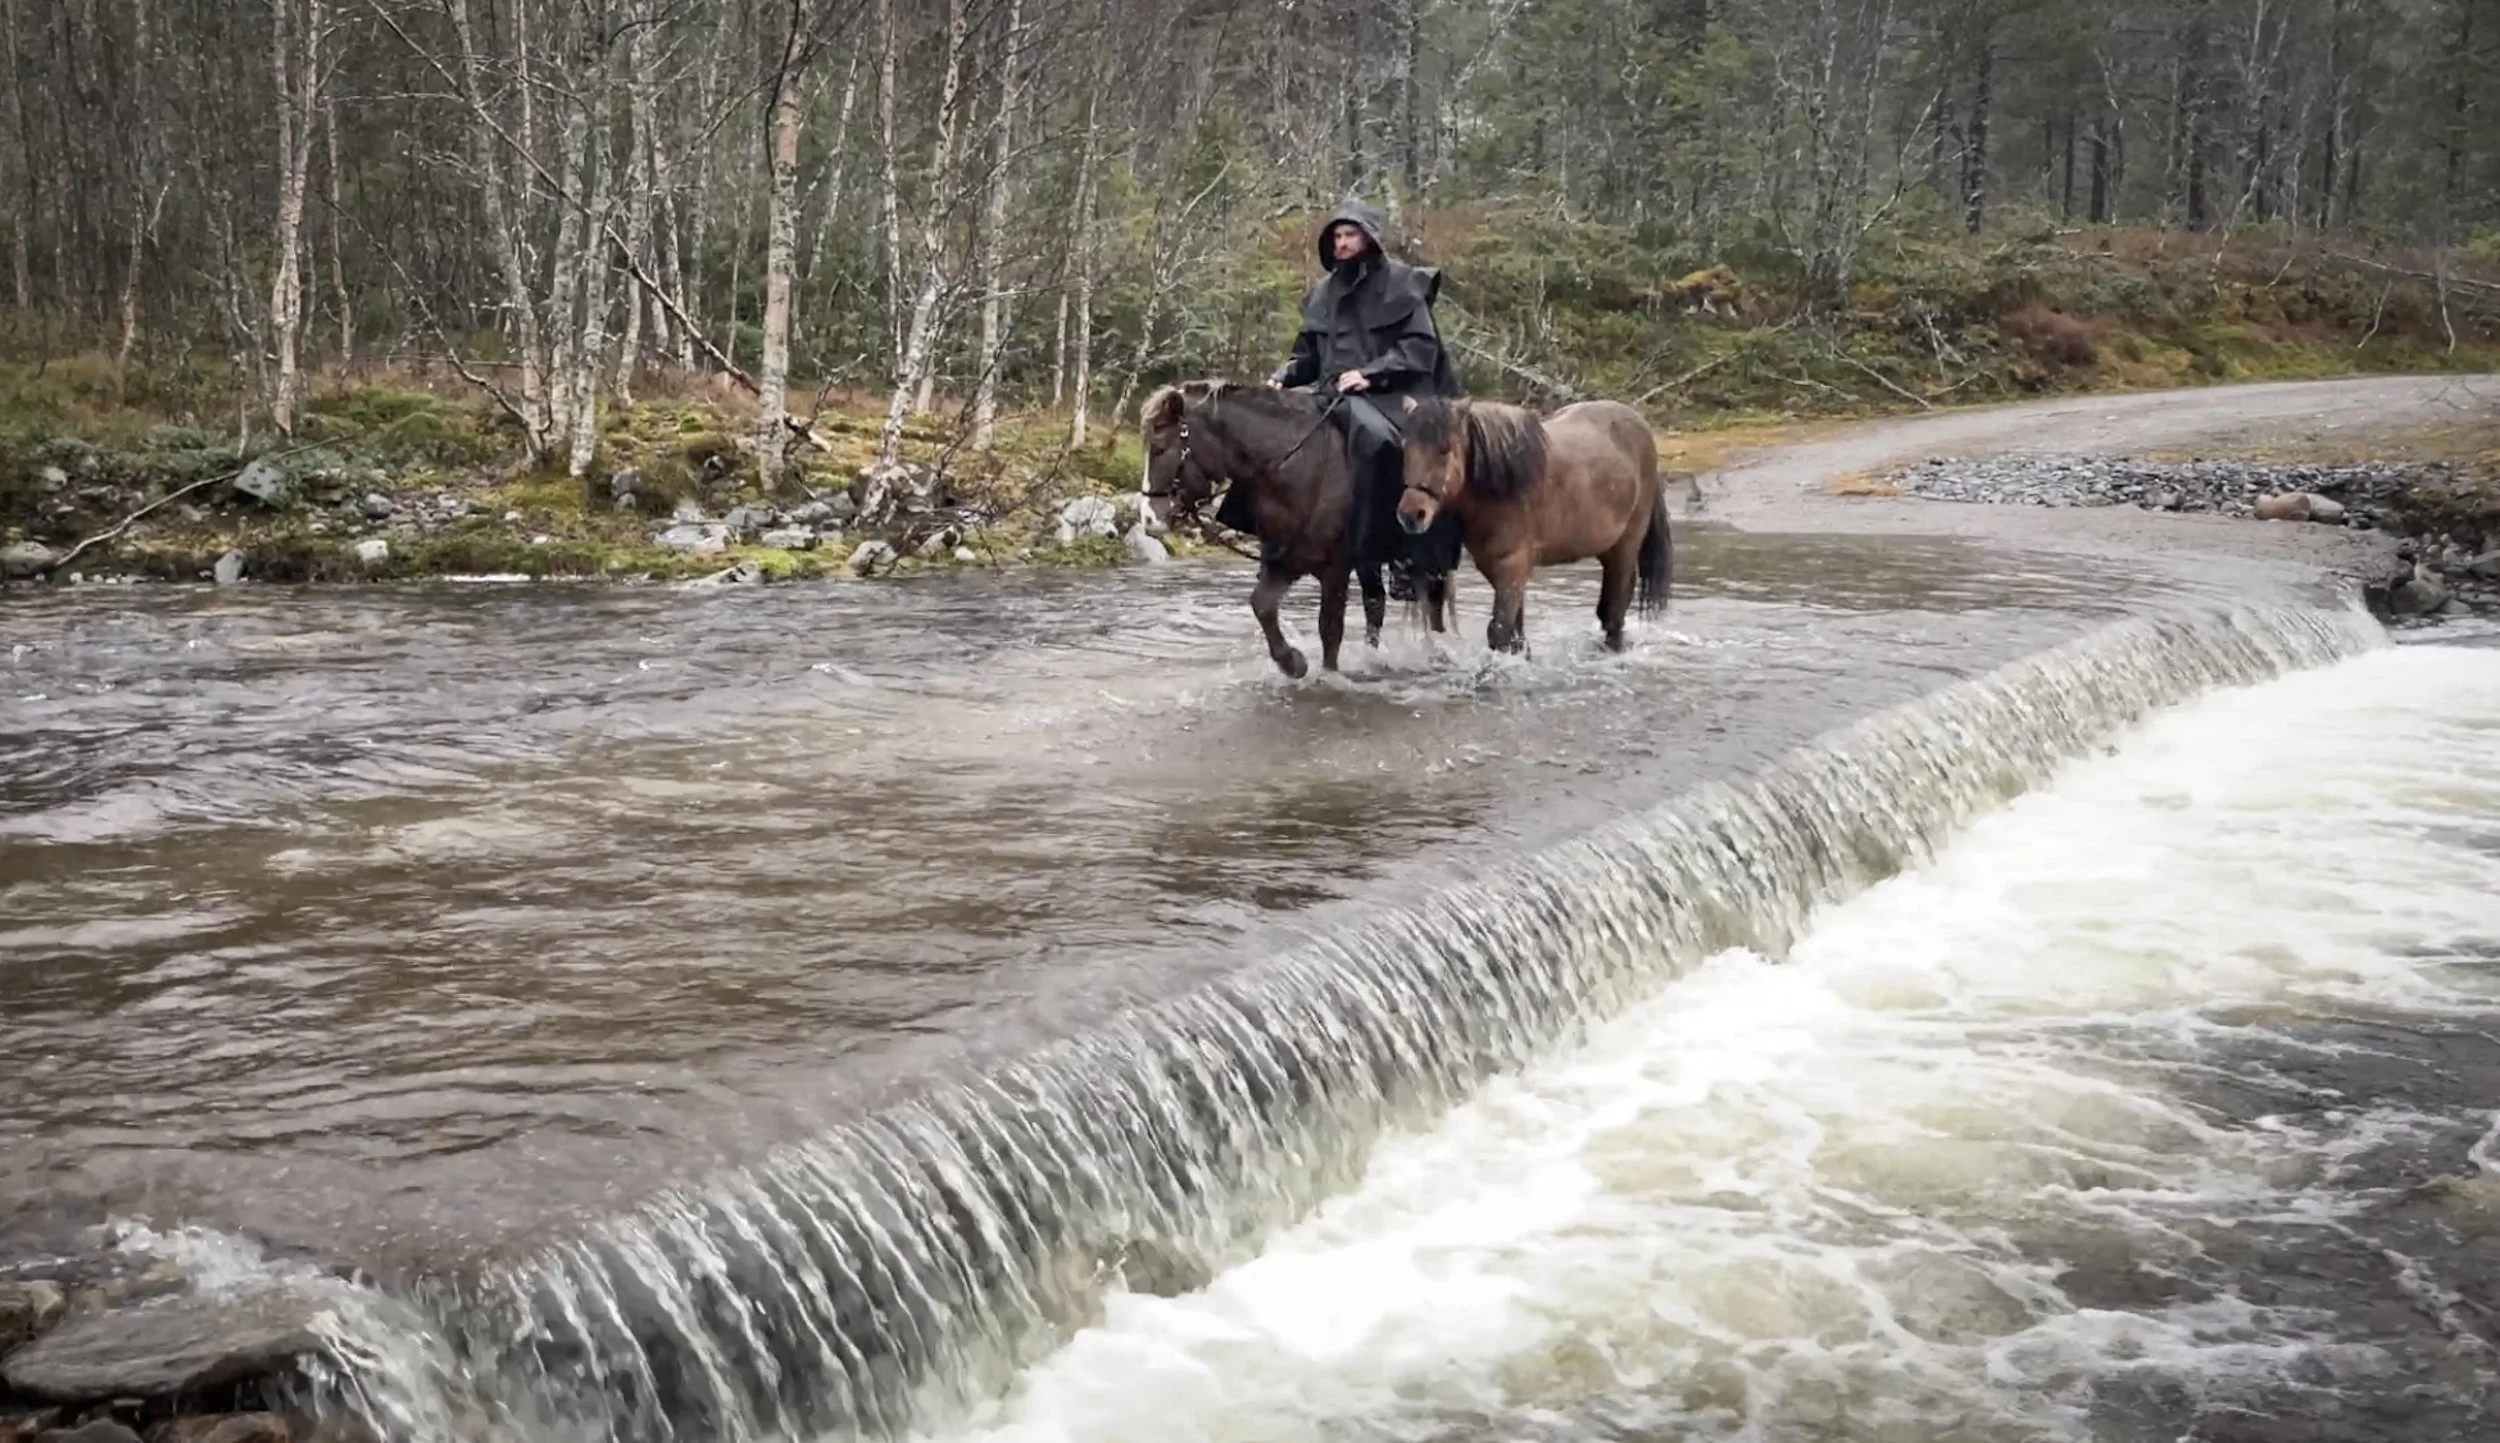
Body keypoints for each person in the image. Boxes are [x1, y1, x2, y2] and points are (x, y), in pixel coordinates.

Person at [1237, 201, 1462, 589]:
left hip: (1395, 396)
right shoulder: (1323, 293)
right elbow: (1306, 355)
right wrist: (1283, 376)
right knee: (1272, 435)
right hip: (1331, 395)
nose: (1341, 243)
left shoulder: (1403, 284)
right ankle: (1275, 540)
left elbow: (1418, 348)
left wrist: (1370, 374)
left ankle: (1406, 555)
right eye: (1337, 236)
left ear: (1369, 238)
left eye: (1350, 235)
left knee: (1380, 442)